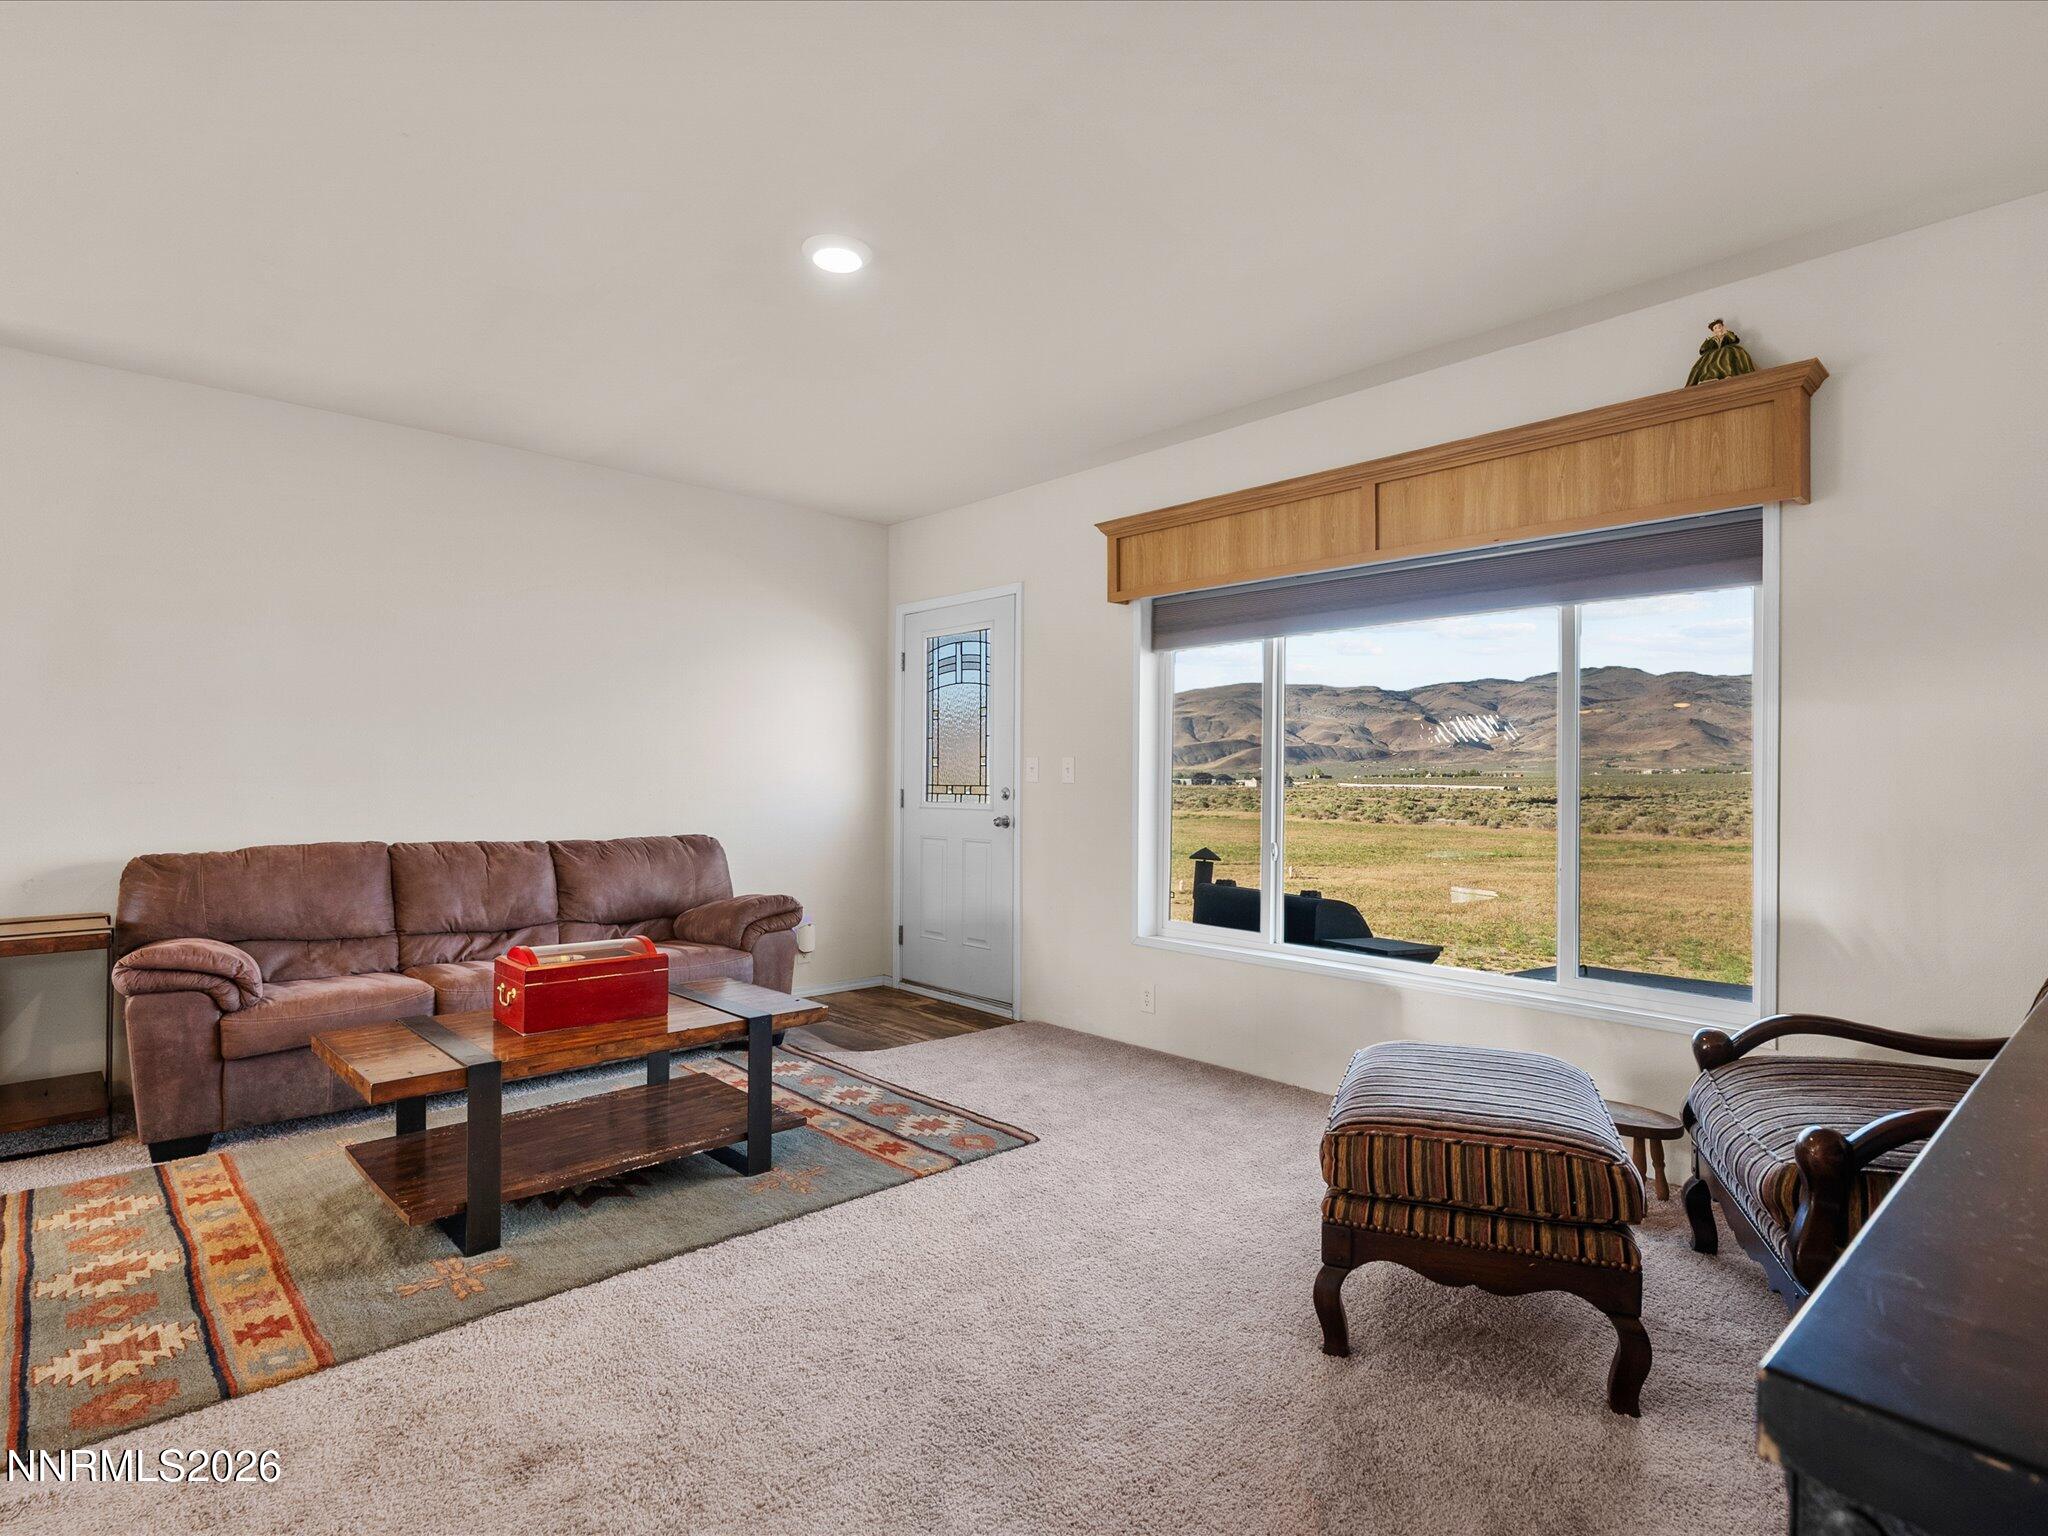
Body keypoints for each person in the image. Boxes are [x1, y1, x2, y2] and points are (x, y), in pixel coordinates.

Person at [1686, 318, 1755, 386]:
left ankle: (1728, 374)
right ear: (1713, 331)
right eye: (1715, 328)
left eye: (1720, 327)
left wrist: (1727, 332)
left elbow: (1734, 340)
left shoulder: (1727, 335)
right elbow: (1702, 350)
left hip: (1727, 351)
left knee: (1726, 354)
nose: (1718, 329)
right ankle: (1708, 377)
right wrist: (1707, 341)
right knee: (1708, 360)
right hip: (1714, 355)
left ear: (1723, 327)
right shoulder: (1712, 340)